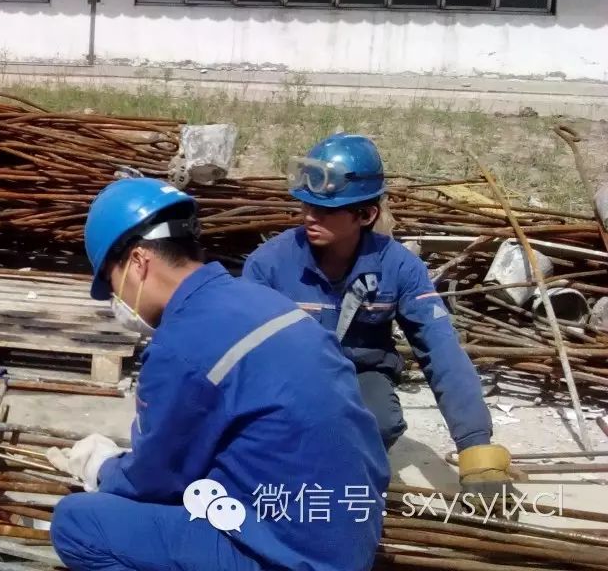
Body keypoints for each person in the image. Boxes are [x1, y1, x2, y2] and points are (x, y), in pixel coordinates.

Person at [47, 177, 389, 571]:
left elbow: (155, 479)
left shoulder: (181, 345)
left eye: (112, 284)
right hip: (351, 532)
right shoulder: (265, 301)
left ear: (139, 262)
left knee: (77, 523)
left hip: (290, 557)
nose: (117, 301)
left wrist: (103, 467)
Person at [241, 133, 513, 496]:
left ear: (366, 214)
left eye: (324, 210)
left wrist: (476, 448)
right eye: (305, 205)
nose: (308, 216)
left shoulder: (399, 267)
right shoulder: (270, 263)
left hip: (360, 373)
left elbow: (441, 350)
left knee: (378, 424)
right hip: (289, 375)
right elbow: (238, 348)